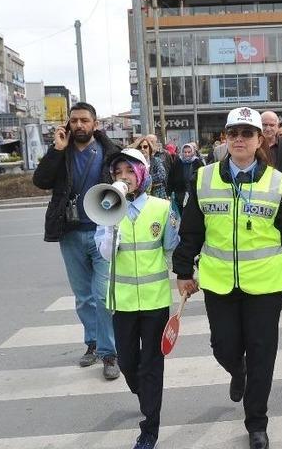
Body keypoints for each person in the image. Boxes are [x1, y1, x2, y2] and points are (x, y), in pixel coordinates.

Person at [172, 107, 282, 449]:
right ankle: (238, 371)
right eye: (233, 133)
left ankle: (257, 423)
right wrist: (183, 270)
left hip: (266, 284)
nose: (239, 139)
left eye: (247, 133)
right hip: (220, 281)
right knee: (223, 346)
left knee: (262, 353)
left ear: (259, 139)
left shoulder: (277, 182)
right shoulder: (204, 178)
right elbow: (191, 229)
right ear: (225, 137)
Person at [94, 148, 181, 449]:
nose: (123, 178)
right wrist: (110, 230)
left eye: (129, 172)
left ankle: (150, 429)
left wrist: (185, 276)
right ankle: (145, 396)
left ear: (142, 174)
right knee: (130, 365)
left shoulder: (161, 207)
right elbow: (105, 254)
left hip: (155, 302)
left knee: (151, 365)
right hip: (123, 302)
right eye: (118, 173)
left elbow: (172, 248)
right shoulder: (106, 207)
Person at [32, 102, 120, 379]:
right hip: (70, 232)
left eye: (84, 120)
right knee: (83, 298)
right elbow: (41, 181)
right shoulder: (61, 152)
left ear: (95, 123)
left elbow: (128, 184)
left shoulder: (111, 152)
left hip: (102, 232)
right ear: (67, 124)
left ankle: (109, 353)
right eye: (74, 120)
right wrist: (56, 150)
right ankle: (92, 343)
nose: (79, 125)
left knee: (103, 296)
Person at [168, 143, 204, 211]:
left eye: (189, 152)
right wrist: (169, 192)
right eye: (185, 152)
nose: (187, 154)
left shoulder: (197, 162)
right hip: (180, 194)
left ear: (193, 152)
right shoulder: (177, 162)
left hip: (194, 194)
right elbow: (171, 178)